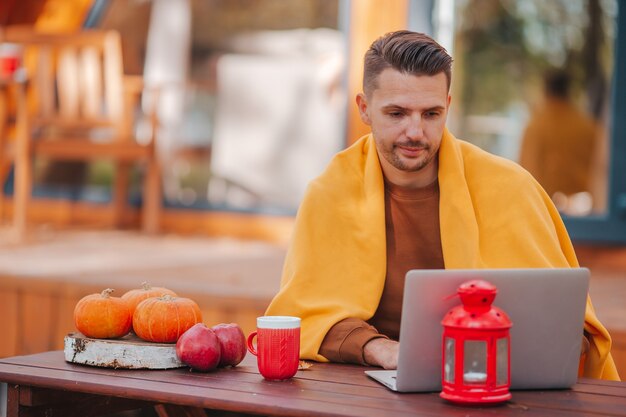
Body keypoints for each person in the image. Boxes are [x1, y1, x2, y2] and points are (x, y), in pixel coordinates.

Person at [265, 30, 619, 380]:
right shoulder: (329, 194)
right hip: (370, 391)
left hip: (498, 386)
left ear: (448, 107)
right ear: (364, 109)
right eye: (397, 113)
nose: (415, 132)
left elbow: (574, 331)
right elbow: (302, 320)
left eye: (431, 114)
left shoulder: (511, 188)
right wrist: (382, 349)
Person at [519, 69, 601, 213]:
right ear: (568, 91)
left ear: (545, 90)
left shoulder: (535, 127)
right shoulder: (588, 126)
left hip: (544, 210)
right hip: (585, 213)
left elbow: (527, 172)